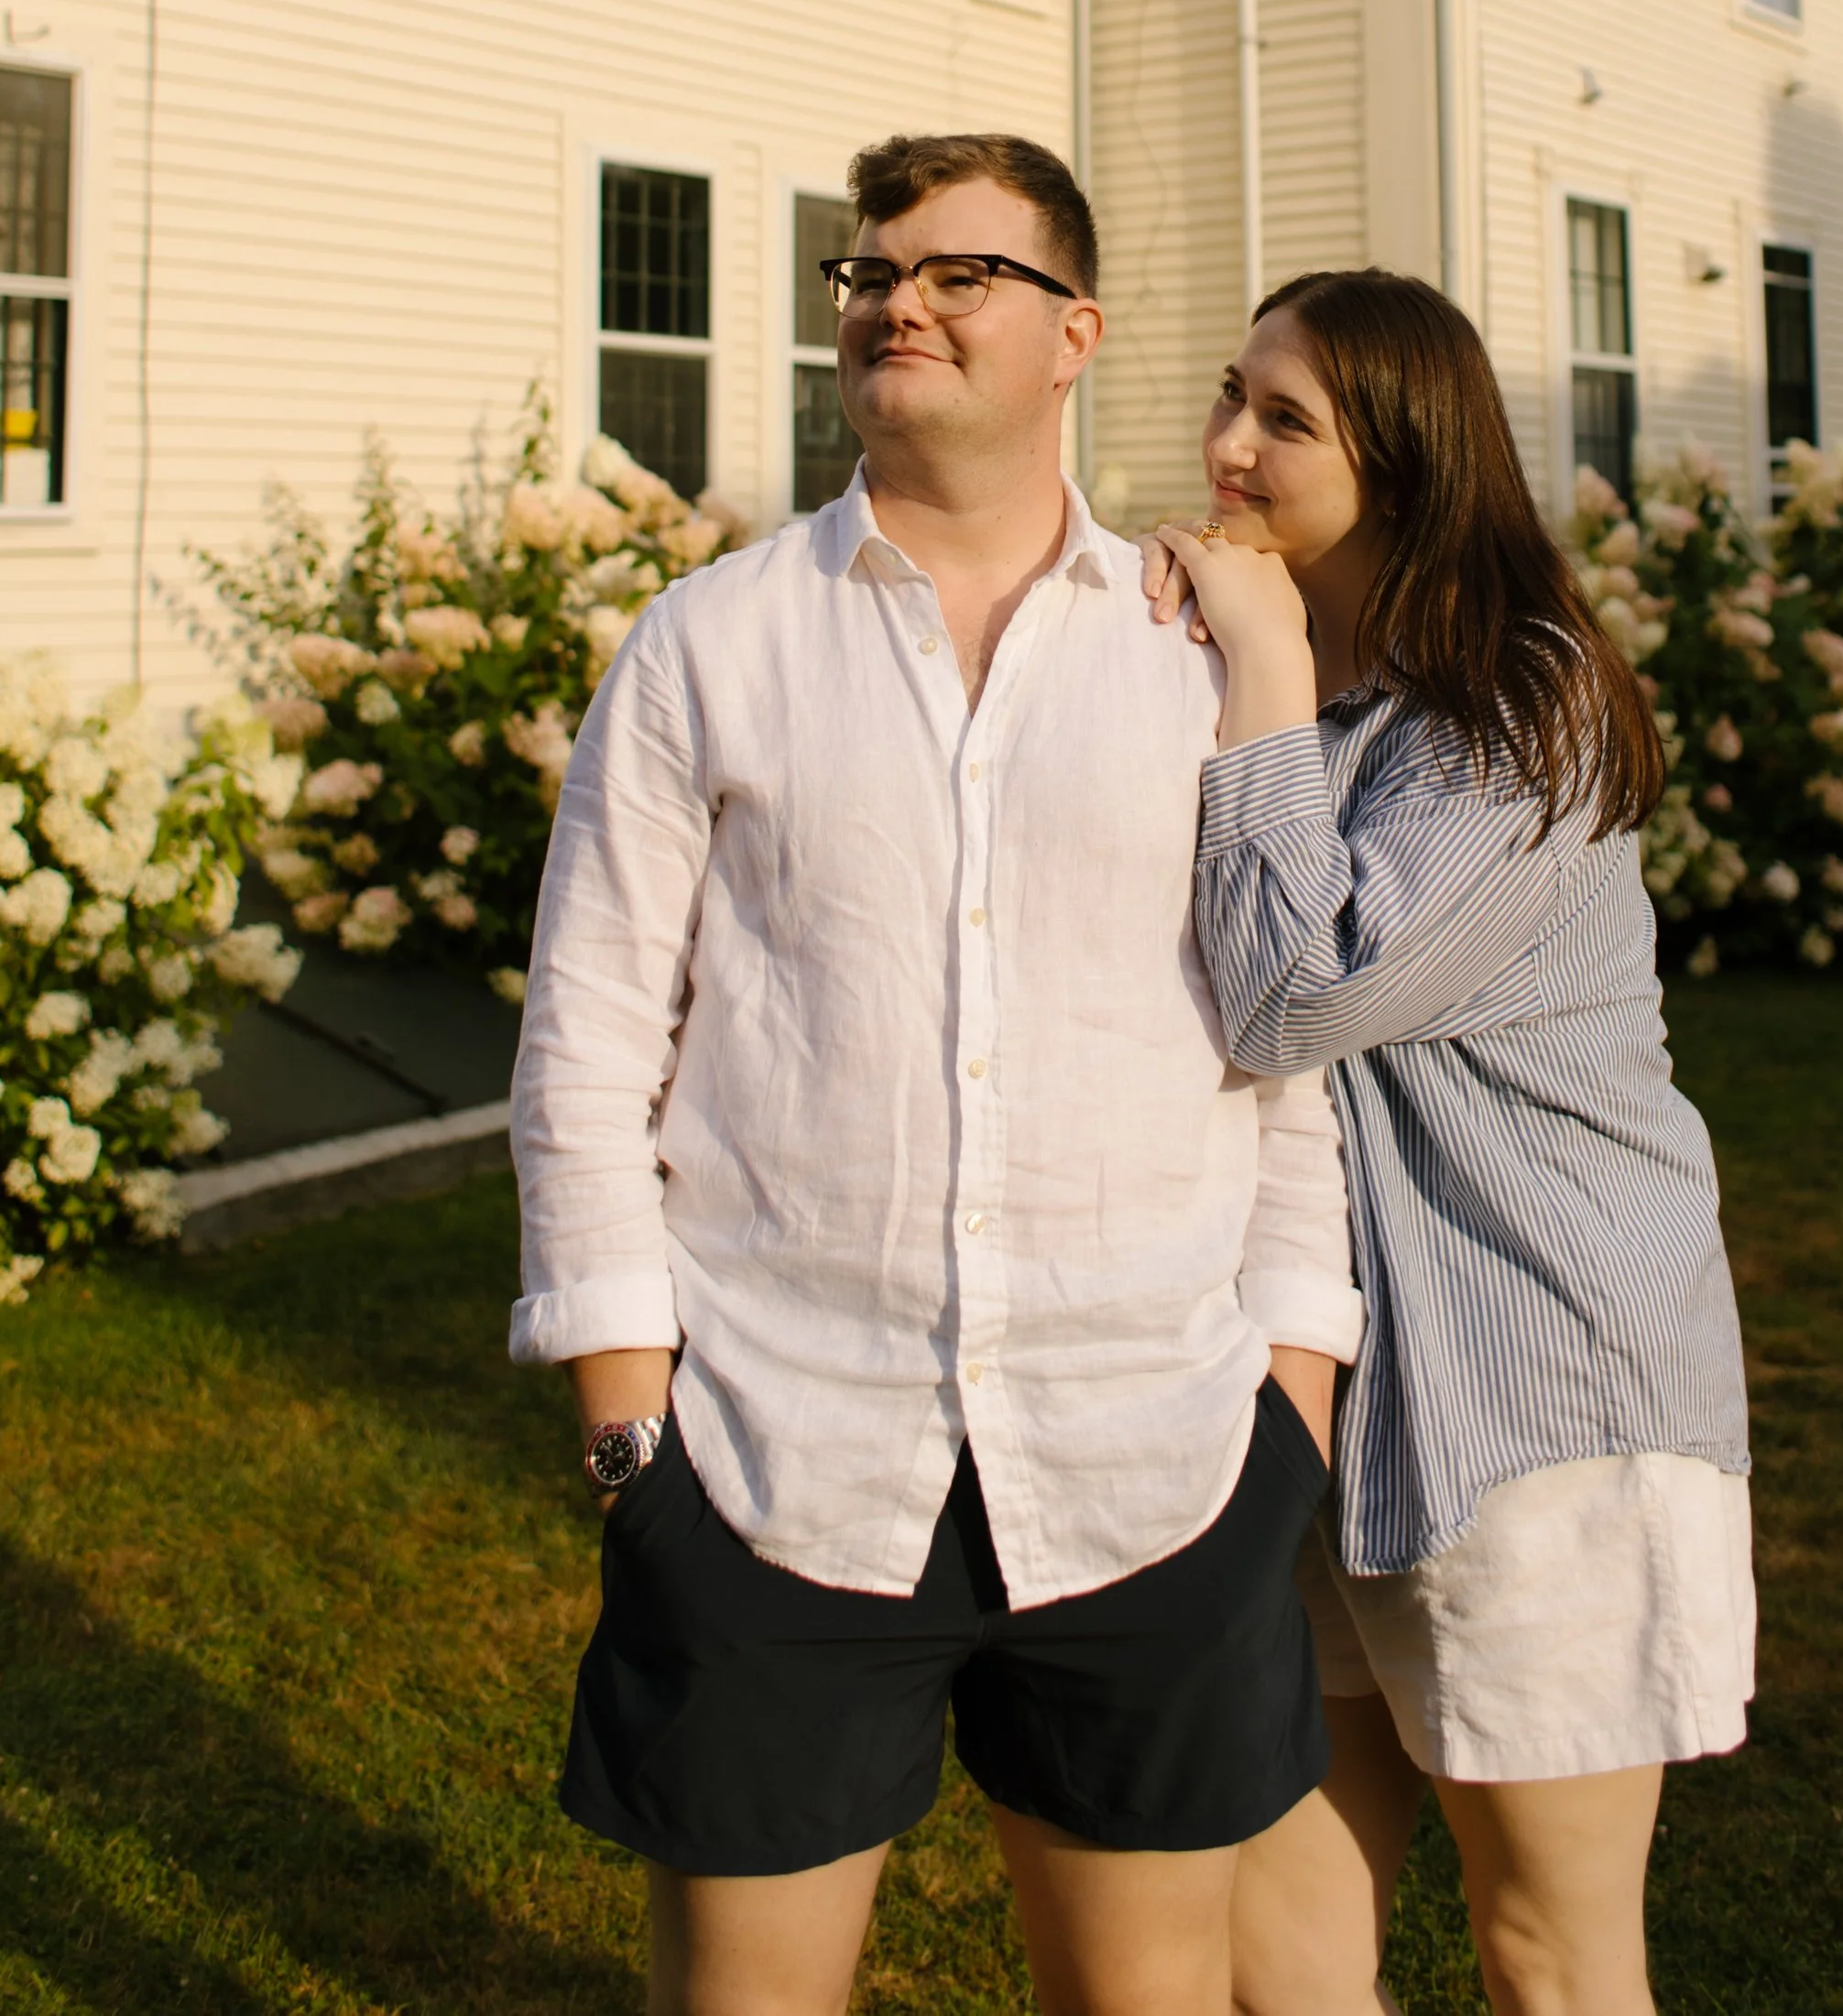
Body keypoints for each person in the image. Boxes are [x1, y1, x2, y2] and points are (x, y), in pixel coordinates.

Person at [508, 134, 1365, 2016]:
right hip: (774, 1462)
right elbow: (583, 1045)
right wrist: (628, 1428)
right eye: (873, 269)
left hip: (1154, 1462)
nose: (898, 297)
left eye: (960, 271)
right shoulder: (707, 646)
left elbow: (1279, 1045)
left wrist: (1285, 1403)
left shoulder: (1194, 656)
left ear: (1076, 333)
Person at [1143, 268, 1751, 2016]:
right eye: (1230, 393)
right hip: (1321, 1380)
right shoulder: (1267, 671)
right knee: (1277, 1937)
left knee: (1549, 1948)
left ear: (1402, 462)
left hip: (1533, 1386)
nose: (1229, 445)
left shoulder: (1520, 705)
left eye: (1287, 419)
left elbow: (1294, 997)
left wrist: (1257, 666)